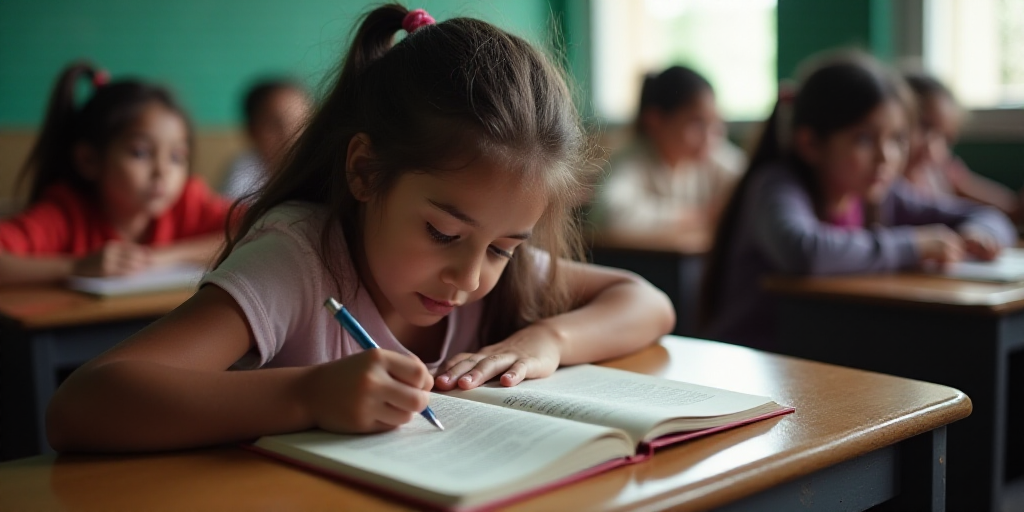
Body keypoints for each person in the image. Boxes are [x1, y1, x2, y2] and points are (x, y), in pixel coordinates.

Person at [46, 5, 675, 452]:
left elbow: (647, 302)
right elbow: (83, 405)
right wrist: (309, 397)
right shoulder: (300, 259)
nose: (469, 276)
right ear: (366, 171)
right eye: (442, 233)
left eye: (506, 250)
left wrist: (550, 341)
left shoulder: (485, 269)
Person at [698, 52, 1016, 350]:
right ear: (810, 143)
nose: (886, 157)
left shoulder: (879, 193)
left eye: (897, 139)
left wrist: (978, 235)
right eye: (864, 139)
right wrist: (914, 245)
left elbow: (989, 216)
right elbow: (805, 251)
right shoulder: (776, 186)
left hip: (824, 355)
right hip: (753, 362)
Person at [0, 62, 233, 286]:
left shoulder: (188, 201)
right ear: (89, 160)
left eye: (176, 157)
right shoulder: (65, 215)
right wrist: (75, 267)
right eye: (140, 153)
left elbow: (260, 227)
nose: (162, 172)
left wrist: (162, 257)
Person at [591, 66, 745, 250]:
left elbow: (751, 187)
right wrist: (697, 216)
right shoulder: (632, 160)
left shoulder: (713, 156)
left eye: (714, 123)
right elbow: (609, 215)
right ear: (654, 121)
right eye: (697, 123)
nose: (710, 137)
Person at [903, 72, 1018, 217]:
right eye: (924, 126)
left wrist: (1015, 206)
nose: (932, 147)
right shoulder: (885, 181)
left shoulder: (943, 171)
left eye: (945, 138)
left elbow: (1005, 206)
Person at [220, 79, 312, 200]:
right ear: (252, 131)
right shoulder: (242, 173)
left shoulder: (318, 164)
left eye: (302, 122)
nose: (293, 133)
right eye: (276, 125)